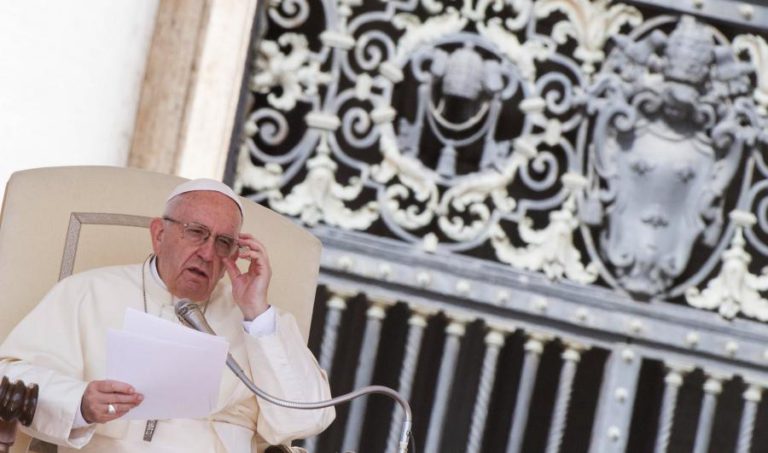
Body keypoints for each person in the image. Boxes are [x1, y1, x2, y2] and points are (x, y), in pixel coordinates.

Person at [0, 179, 335, 452]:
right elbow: (10, 381)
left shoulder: (260, 321)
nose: (207, 253)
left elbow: (304, 420)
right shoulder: (87, 293)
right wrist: (78, 402)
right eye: (195, 232)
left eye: (223, 242)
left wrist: (256, 314)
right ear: (159, 234)